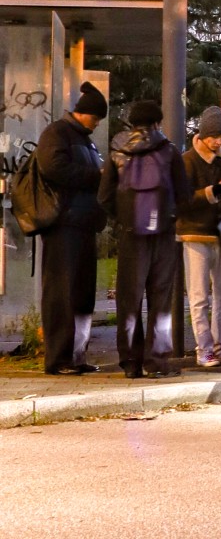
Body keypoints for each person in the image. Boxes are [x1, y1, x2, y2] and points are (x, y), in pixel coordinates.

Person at [100, 99, 189, 378]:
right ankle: (157, 362)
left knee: (129, 300)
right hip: (162, 234)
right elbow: (184, 195)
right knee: (160, 300)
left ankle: (130, 363)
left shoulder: (117, 150)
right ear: (157, 123)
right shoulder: (169, 151)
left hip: (130, 235)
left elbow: (104, 196)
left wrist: (124, 218)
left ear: (133, 123)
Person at [34, 82, 108, 375]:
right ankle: (58, 358)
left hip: (83, 224)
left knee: (80, 292)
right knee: (61, 292)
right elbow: (53, 168)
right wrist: (96, 176)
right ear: (83, 113)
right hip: (63, 224)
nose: (97, 123)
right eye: (96, 117)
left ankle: (77, 354)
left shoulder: (85, 140)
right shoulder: (57, 133)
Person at [178, 104, 221, 369]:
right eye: (214, 136)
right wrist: (211, 192)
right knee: (199, 296)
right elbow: (182, 200)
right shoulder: (188, 160)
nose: (218, 142)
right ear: (203, 135)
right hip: (195, 233)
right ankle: (204, 349)